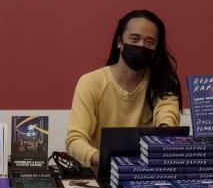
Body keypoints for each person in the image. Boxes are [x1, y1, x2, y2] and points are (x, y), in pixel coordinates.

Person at [65, 10, 182, 167]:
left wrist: (165, 136)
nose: (141, 45)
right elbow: (74, 140)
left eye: (150, 42)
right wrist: (106, 161)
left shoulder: (164, 84)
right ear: (119, 41)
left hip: (147, 175)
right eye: (134, 39)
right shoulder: (90, 82)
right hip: (103, 173)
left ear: (156, 49)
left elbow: (167, 120)